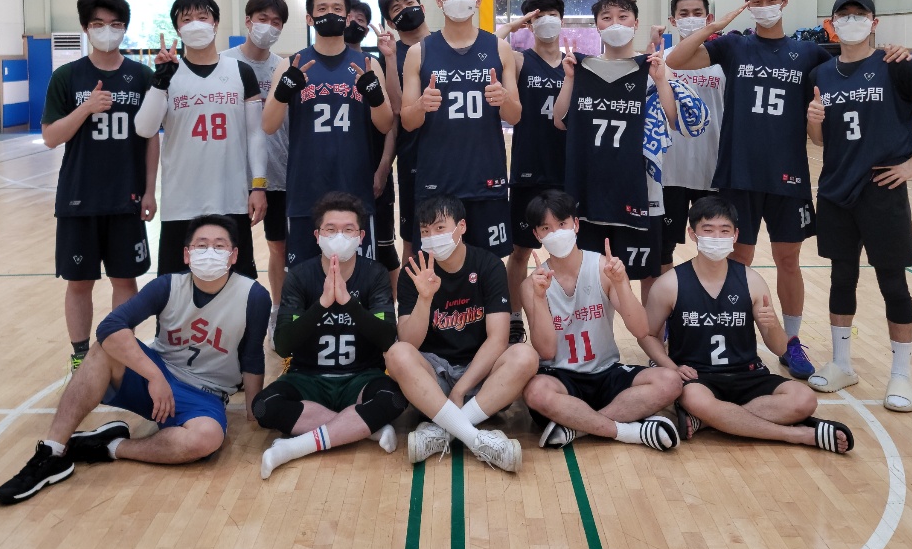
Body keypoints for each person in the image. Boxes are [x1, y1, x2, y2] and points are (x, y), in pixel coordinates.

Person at [665, 0, 911, 379]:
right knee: (738, 259)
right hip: (738, 173)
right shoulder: (734, 46)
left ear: (785, 1)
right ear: (748, 5)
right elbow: (676, 59)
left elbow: (852, 65)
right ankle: (741, 338)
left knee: (788, 260)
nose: (765, 7)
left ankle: (791, 342)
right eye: (756, 1)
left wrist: (891, 51)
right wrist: (716, 26)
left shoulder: (809, 54)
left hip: (788, 174)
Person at [0, 215, 269, 504]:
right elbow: (110, 327)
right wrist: (155, 376)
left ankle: (110, 446)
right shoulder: (167, 286)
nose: (210, 252)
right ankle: (52, 452)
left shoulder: (253, 296)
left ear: (233, 255)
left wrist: (254, 410)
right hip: (157, 377)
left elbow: (252, 355)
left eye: (219, 246)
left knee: (206, 439)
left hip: (205, 394)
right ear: (187, 254)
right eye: (201, 246)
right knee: (104, 349)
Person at [806, 0, 912, 413]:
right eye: (844, 15)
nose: (852, 20)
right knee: (841, 278)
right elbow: (820, 141)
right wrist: (813, 123)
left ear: (874, 22)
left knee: (892, 282)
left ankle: (901, 374)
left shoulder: (896, 64)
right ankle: (842, 363)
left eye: (860, 14)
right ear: (831, 24)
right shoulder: (821, 72)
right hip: (836, 187)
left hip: (883, 188)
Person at [644, 197, 854, 454]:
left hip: (748, 373)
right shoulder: (669, 284)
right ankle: (797, 435)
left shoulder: (752, 281)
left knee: (805, 398)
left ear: (735, 235)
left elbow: (780, 348)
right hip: (698, 377)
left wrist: (772, 324)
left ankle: (707, 422)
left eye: (724, 230)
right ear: (692, 233)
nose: (716, 237)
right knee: (695, 399)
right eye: (708, 230)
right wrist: (671, 367)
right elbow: (648, 335)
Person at [555, 0, 708, 301]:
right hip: (591, 191)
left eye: (623, 17)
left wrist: (661, 79)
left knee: (649, 274)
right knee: (592, 276)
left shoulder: (652, 69)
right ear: (597, 26)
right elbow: (560, 121)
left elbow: (676, 120)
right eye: (606, 18)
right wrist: (569, 79)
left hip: (642, 191)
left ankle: (650, 330)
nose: (615, 23)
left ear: (635, 23)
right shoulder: (583, 70)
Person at [41, 0, 158, 372]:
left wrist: (149, 190)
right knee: (79, 282)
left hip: (126, 197)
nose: (107, 30)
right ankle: (80, 356)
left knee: (125, 280)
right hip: (79, 198)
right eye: (98, 24)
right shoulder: (67, 76)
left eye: (115, 24)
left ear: (124, 28)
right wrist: (86, 108)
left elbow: (151, 138)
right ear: (85, 28)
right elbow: (51, 137)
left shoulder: (141, 76)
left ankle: (122, 353)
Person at [253, 193, 406, 479]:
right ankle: (362, 428)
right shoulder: (300, 276)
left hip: (361, 377)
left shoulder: (375, 274)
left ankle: (294, 447)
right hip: (307, 378)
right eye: (331, 229)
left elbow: (387, 338)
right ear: (317, 235)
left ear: (361, 237)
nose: (339, 237)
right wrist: (321, 304)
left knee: (395, 400)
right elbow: (282, 344)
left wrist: (348, 303)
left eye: (348, 230)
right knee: (264, 406)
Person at [521, 190, 682, 451]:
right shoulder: (532, 285)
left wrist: (621, 284)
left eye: (561, 224)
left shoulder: (603, 268)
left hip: (606, 371)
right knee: (535, 392)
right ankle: (628, 431)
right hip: (561, 377)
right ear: (537, 235)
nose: (556, 233)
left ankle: (577, 427)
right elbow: (547, 351)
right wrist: (539, 299)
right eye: (546, 228)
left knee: (670, 382)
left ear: (576, 224)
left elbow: (641, 329)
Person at [384, 195, 534, 470]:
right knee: (396, 354)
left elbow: (498, 339)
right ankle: (475, 438)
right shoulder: (413, 271)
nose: (432, 237)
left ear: (461, 226)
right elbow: (408, 342)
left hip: (481, 376)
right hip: (433, 380)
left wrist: (461, 389)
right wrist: (425, 299)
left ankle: (443, 430)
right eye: (425, 231)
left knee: (525, 356)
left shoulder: (488, 265)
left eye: (440, 228)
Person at [135, 0, 266, 278]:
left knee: (237, 284)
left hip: (231, 199)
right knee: (176, 287)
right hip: (181, 202)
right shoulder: (167, 75)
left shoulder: (241, 71)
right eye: (187, 19)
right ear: (177, 28)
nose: (196, 24)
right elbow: (145, 129)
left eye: (203, 17)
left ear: (215, 23)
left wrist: (258, 186)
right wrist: (160, 81)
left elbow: (256, 134)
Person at [262, 0, 394, 266]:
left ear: (346, 18)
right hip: (306, 190)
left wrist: (374, 96)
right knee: (305, 281)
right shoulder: (290, 65)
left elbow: (385, 125)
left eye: (337, 9)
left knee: (358, 280)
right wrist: (283, 92)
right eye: (322, 9)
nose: (329, 14)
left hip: (355, 190)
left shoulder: (367, 64)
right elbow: (268, 125)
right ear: (309, 18)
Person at [400, 0, 522, 261]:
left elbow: (515, 116)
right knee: (435, 266)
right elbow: (407, 121)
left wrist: (504, 98)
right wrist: (421, 105)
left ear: (478, 0)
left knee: (489, 265)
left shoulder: (499, 48)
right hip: (437, 181)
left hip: (486, 179)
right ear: (439, 0)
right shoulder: (419, 52)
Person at [496, 0, 568, 344]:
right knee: (520, 251)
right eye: (538, 16)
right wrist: (514, 25)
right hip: (528, 168)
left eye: (551, 14)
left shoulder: (576, 64)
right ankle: (513, 318)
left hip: (567, 171)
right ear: (529, 23)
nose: (546, 21)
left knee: (567, 249)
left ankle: (565, 317)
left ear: (562, 19)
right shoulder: (521, 61)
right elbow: (490, 45)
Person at [224, 0, 290, 336]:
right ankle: (230, 317)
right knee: (227, 248)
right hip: (232, 177)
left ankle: (278, 311)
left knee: (279, 247)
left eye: (276, 22)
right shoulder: (223, 63)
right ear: (248, 21)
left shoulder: (284, 68)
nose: (268, 26)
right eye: (262, 19)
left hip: (277, 174)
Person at [660, 0, 725, 266]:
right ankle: (665, 295)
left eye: (697, 13)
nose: (690, 18)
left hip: (712, 171)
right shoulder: (661, 61)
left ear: (709, 18)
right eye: (683, 14)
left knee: (714, 247)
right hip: (668, 171)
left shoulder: (722, 62)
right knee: (663, 249)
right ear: (673, 20)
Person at [377, 0, 432, 264]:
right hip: (413, 155)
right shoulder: (389, 55)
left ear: (422, 7)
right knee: (412, 241)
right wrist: (385, 164)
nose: (405, 11)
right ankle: (412, 295)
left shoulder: (446, 45)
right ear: (390, 22)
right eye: (396, 9)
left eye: (409, 3)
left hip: (453, 153)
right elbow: (395, 112)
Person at [348, 0, 401, 285]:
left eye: (361, 20)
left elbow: (392, 122)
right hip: (339, 174)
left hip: (374, 173)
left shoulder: (376, 65)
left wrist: (382, 169)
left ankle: (388, 310)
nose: (353, 23)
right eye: (349, 17)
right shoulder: (314, 66)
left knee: (385, 251)